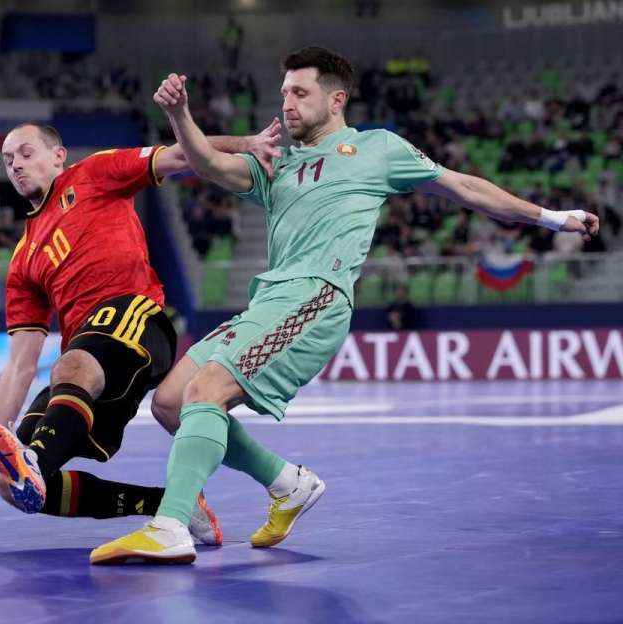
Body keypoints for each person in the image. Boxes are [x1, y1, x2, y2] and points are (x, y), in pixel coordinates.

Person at [92, 46, 600, 565]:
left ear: (336, 100)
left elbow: (464, 187)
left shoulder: (378, 148)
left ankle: (170, 526)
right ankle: (287, 483)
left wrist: (552, 217)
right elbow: (208, 163)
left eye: (300, 92)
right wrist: (180, 114)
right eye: (284, 92)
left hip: (316, 296)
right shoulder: (276, 162)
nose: (287, 103)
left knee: (207, 390)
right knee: (170, 403)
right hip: (268, 300)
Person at [0, 122, 280, 544]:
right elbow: (20, 364)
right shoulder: (23, 259)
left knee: (70, 368)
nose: (15, 165)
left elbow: (180, 154)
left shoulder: (94, 173)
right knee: (9, 484)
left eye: (25, 153)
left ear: (58, 156)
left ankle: (35, 460)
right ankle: (164, 503)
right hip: (89, 362)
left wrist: (246, 144)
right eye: (7, 160)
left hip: (138, 321)